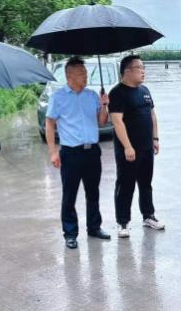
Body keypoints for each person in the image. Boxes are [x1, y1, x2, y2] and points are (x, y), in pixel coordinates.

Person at [45, 57, 111, 249]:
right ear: (69, 76)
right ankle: (70, 233)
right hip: (70, 153)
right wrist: (53, 151)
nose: (85, 75)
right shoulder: (58, 97)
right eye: (81, 73)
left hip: (92, 152)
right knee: (70, 194)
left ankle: (94, 227)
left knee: (93, 192)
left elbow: (102, 121)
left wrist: (105, 105)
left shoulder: (92, 95)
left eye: (85, 72)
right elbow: (49, 123)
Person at [108, 55, 164, 237]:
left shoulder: (145, 90)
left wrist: (155, 138)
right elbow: (117, 121)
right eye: (139, 68)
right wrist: (127, 146)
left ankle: (148, 216)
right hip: (128, 150)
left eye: (143, 68)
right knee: (126, 185)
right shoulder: (117, 93)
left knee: (146, 184)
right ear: (127, 71)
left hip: (147, 147)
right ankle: (123, 222)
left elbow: (152, 115)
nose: (143, 71)